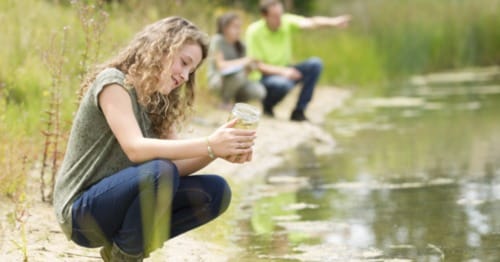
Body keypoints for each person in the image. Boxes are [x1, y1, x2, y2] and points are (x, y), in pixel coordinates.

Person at [53, 17, 256, 261]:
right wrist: (210, 143)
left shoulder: (161, 102)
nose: (183, 76)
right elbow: (135, 149)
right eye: (183, 63)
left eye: (190, 71)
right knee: (162, 170)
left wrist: (217, 151)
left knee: (216, 191)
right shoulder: (114, 83)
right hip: (81, 214)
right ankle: (128, 256)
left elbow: (178, 167)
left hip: (122, 209)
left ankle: (123, 252)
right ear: (161, 48)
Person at [246, 0, 351, 121]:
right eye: (275, 16)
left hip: (286, 70)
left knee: (315, 64)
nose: (279, 20)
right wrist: (284, 72)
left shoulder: (286, 21)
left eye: (280, 15)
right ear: (264, 16)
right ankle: (268, 105)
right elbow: (256, 65)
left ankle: (299, 111)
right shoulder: (254, 31)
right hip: (264, 77)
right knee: (283, 84)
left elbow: (312, 23)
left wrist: (333, 22)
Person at [207, 12, 266, 109]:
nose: (239, 30)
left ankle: (237, 105)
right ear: (225, 28)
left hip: (237, 81)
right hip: (218, 80)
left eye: (240, 27)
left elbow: (245, 70)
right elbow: (220, 65)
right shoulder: (218, 40)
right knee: (239, 75)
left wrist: (251, 67)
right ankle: (224, 102)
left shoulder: (241, 45)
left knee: (259, 91)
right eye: (235, 27)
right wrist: (245, 61)